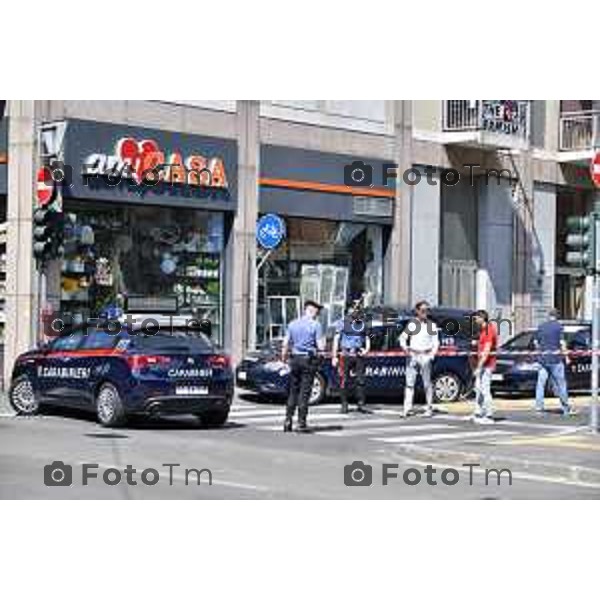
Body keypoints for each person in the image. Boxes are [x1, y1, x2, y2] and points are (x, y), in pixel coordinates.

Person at [281, 299, 325, 433]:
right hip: (308, 360)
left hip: (294, 359)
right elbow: (320, 346)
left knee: (293, 391)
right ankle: (301, 422)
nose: (317, 314)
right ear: (312, 310)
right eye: (317, 312)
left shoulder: (292, 324)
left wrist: (284, 359)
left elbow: (285, 343)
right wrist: (321, 351)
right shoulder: (316, 325)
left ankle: (287, 420)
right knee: (305, 392)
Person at [400, 300, 439, 418]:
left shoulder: (431, 325)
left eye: (427, 310)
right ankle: (407, 409)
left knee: (427, 384)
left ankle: (429, 408)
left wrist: (431, 356)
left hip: (425, 355)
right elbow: (402, 338)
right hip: (413, 355)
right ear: (417, 311)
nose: (425, 313)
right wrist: (406, 350)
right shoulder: (412, 324)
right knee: (409, 384)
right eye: (422, 310)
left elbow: (435, 342)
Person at [332, 300, 371, 414]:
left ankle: (361, 404)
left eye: (358, 308)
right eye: (354, 307)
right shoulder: (342, 322)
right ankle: (344, 405)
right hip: (345, 355)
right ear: (349, 309)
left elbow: (367, 337)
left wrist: (367, 349)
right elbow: (336, 339)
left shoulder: (362, 322)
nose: (356, 310)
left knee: (361, 381)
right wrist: (334, 356)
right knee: (344, 380)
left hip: (358, 355)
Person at [534, 308, 575, 416]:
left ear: (549, 316)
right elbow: (562, 343)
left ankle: (539, 408)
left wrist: (540, 353)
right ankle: (565, 408)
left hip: (542, 359)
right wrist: (566, 357)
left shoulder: (541, 326)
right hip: (556, 359)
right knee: (561, 384)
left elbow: (536, 342)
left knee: (540, 384)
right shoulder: (559, 327)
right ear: (557, 316)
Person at [470, 309, 498, 424]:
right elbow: (484, 345)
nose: (475, 320)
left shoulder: (488, 331)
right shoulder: (484, 331)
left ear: (482, 318)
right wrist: (477, 344)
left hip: (487, 365)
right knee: (479, 389)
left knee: (485, 390)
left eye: (476, 318)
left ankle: (489, 415)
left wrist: (479, 366)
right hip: (483, 364)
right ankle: (478, 412)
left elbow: (487, 350)